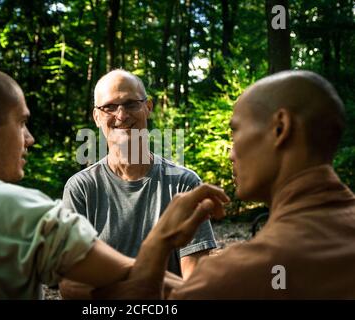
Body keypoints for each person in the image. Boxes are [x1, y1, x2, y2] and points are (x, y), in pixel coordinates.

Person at [0, 63, 228, 299]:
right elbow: (96, 286)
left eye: (131, 103)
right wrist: (162, 238)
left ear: (148, 108)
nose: (29, 139)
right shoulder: (17, 206)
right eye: (22, 124)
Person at [94, 70, 355, 299]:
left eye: (236, 131)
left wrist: (159, 240)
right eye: (110, 107)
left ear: (281, 128)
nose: (231, 153)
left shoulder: (249, 269)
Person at [60, 70, 217, 297]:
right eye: (110, 107)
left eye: (131, 104)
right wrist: (148, 282)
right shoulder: (81, 189)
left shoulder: (183, 183)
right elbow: (71, 286)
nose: (121, 115)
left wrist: (120, 285)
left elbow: (195, 283)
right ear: (96, 117)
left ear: (148, 107)